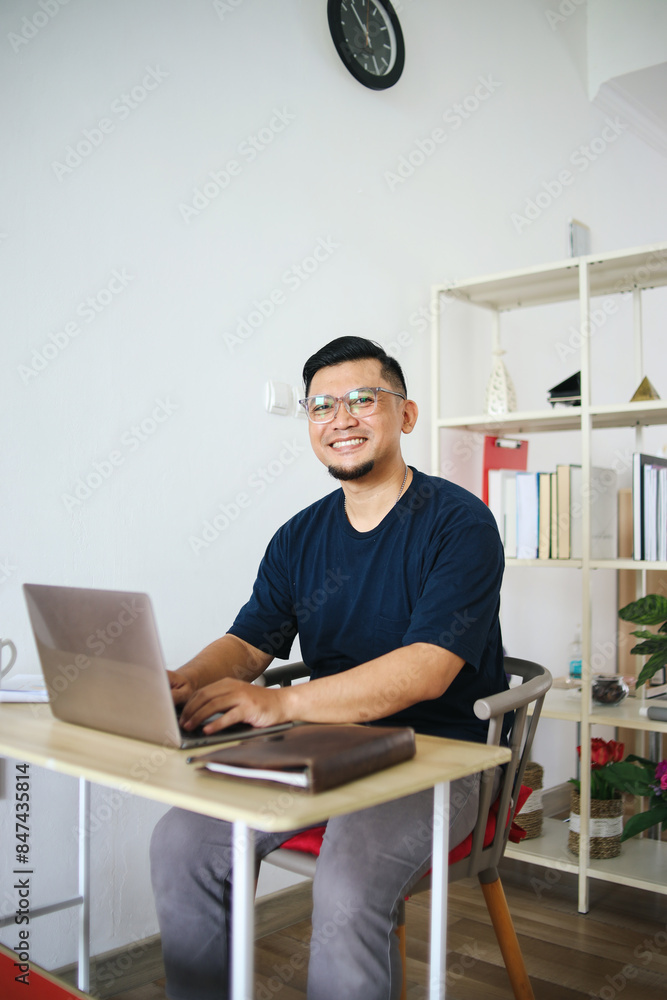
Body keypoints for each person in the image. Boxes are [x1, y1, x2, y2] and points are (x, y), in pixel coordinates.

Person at [150, 336, 507, 1000]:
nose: (339, 418)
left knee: (347, 879)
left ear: (405, 414)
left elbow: (426, 670)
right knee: (181, 840)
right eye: (320, 406)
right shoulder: (298, 536)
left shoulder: (459, 524)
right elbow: (249, 644)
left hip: (438, 757)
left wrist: (280, 704)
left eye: (361, 399)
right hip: (322, 747)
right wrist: (183, 681)